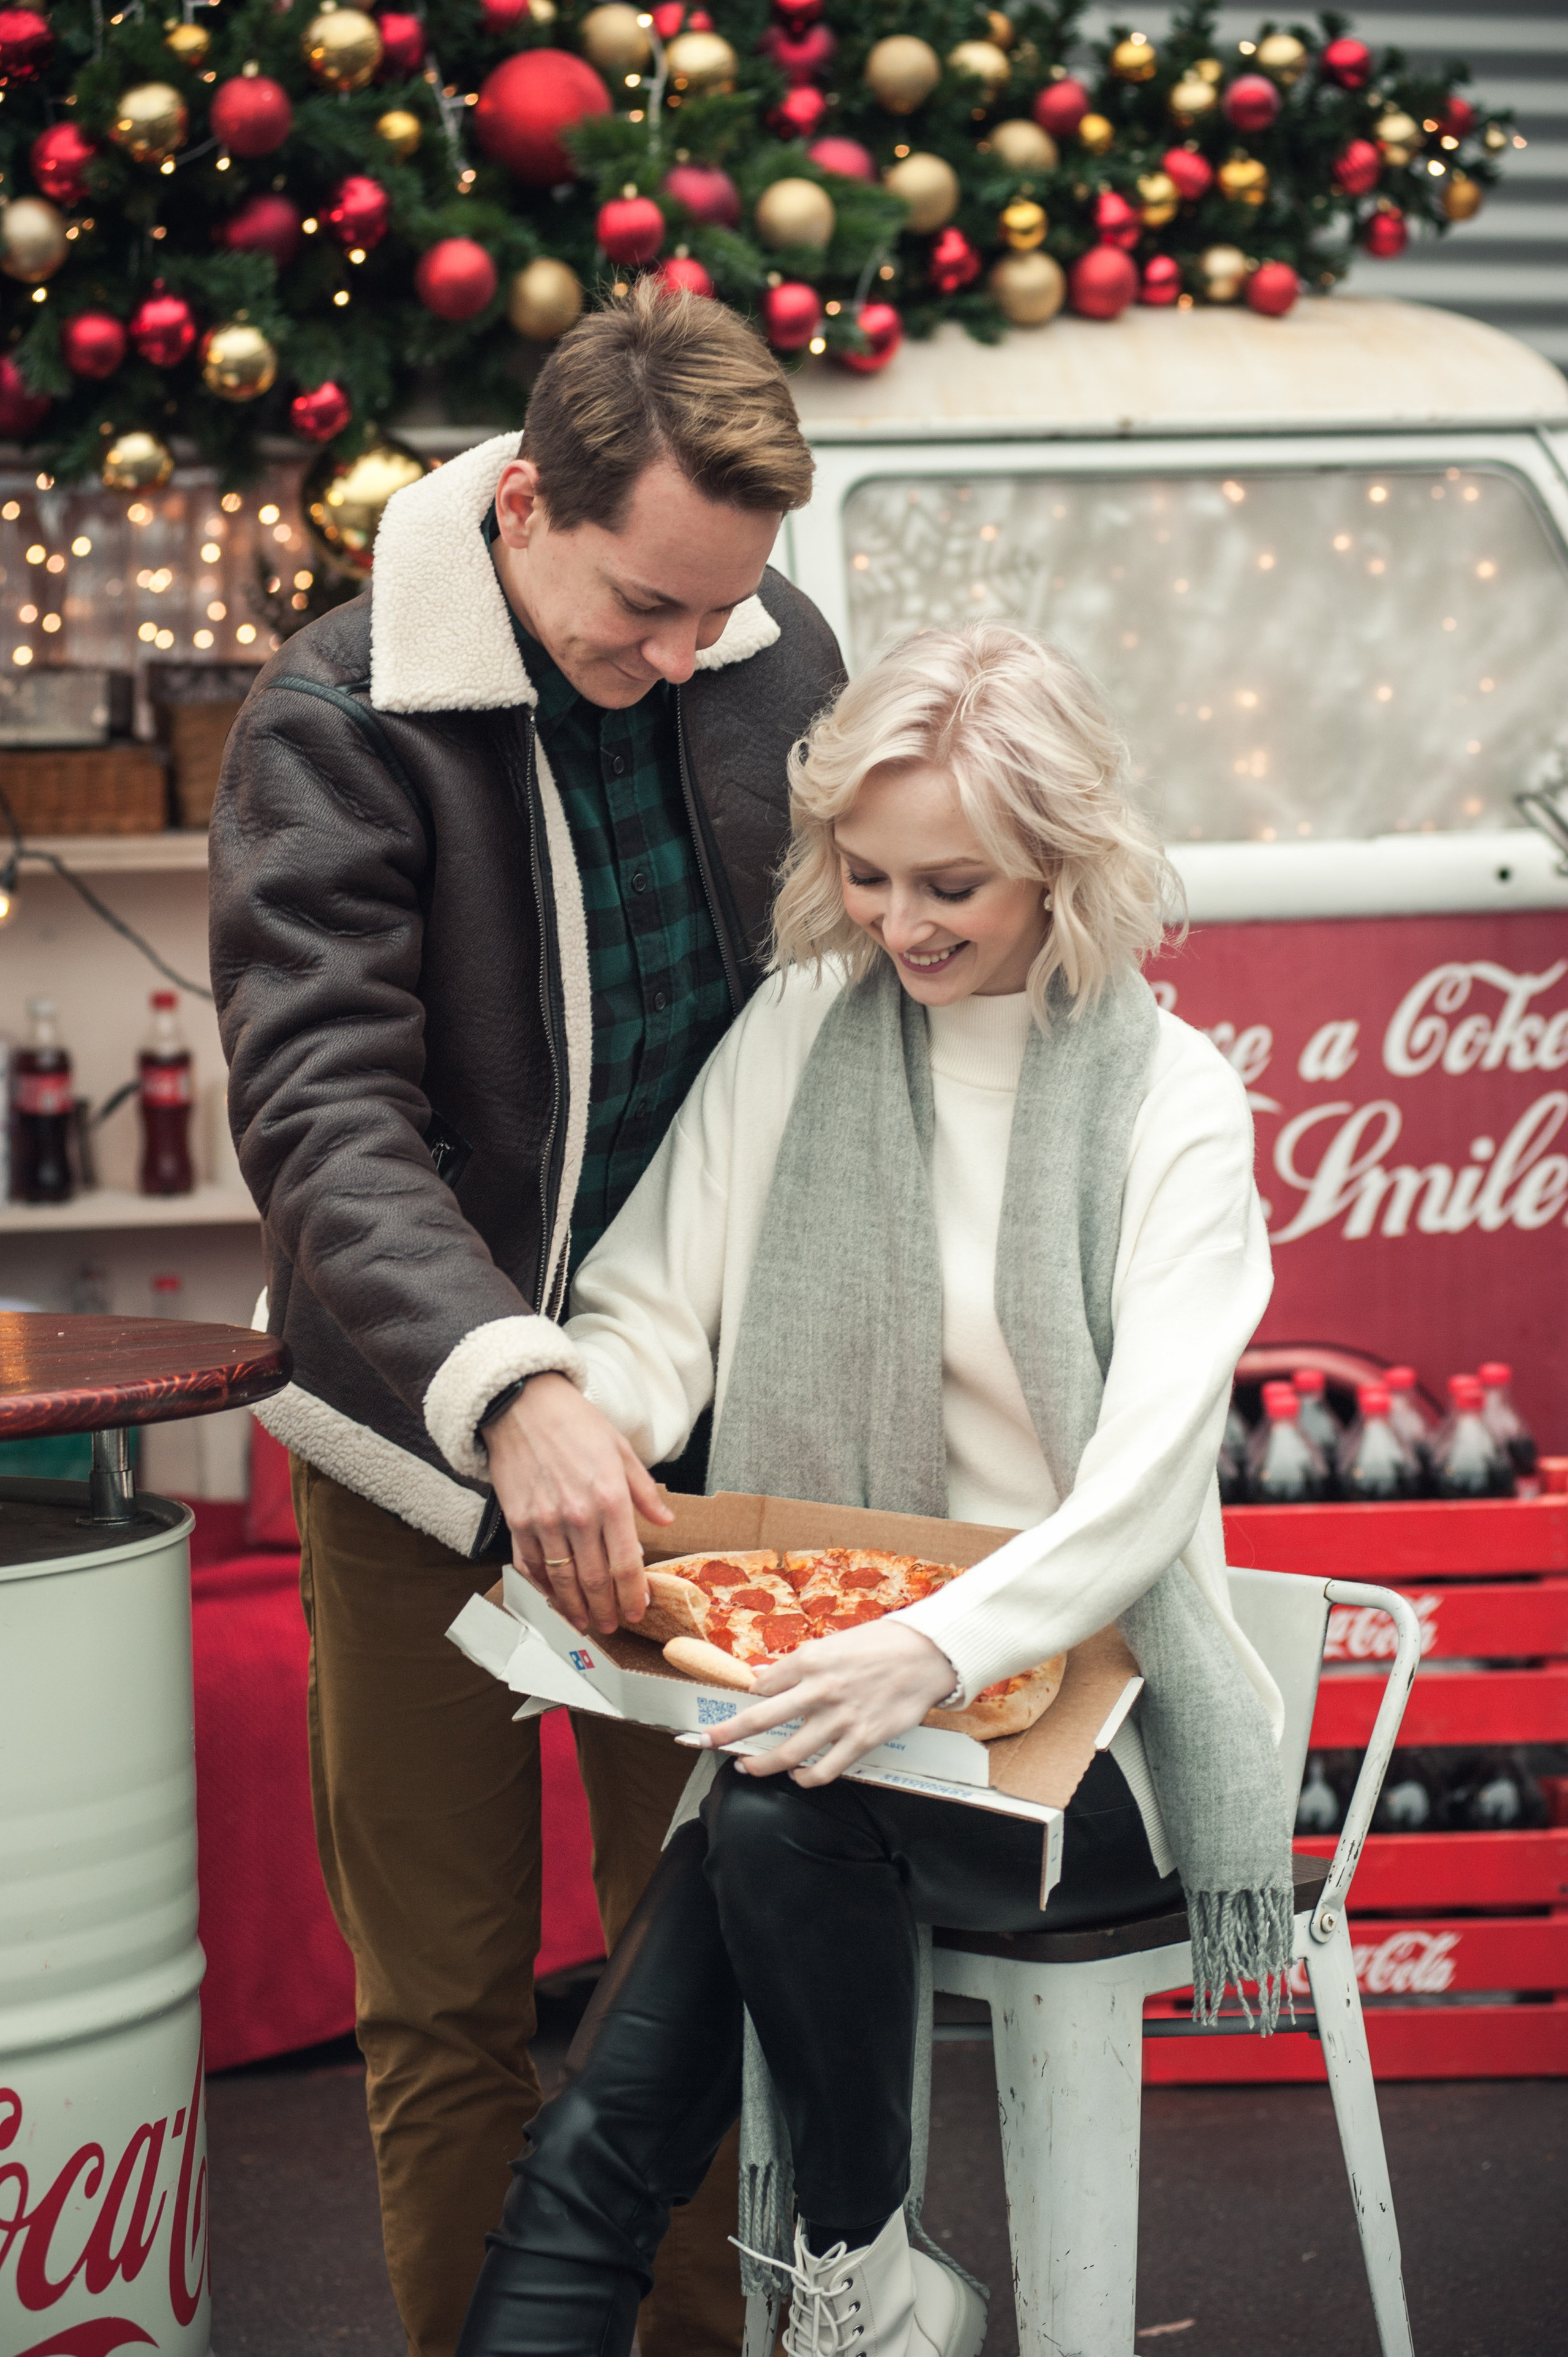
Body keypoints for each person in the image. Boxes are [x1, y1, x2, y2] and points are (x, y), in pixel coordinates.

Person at [455, 624, 1295, 2357]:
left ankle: (861, 2270)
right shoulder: (804, 1029)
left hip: (1091, 1712)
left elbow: (1142, 1492)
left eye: (954, 886)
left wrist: (926, 1654)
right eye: (867, 874)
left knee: (775, 1805)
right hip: (829, 1693)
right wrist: (581, 1432)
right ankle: (863, 2284)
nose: (900, 924)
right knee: (780, 1802)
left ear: (1066, 866)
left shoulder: (1178, 1106)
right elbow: (650, 1307)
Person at [208, 283, 843, 2357]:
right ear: (522, 509)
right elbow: (323, 1117)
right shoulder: (335, 719)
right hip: (423, 1443)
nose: (688, 658)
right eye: (645, 609)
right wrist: (514, 1387)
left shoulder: (766, 650)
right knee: (455, 2000)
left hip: (712, 1448)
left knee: (706, 1972)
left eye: (719, 617)